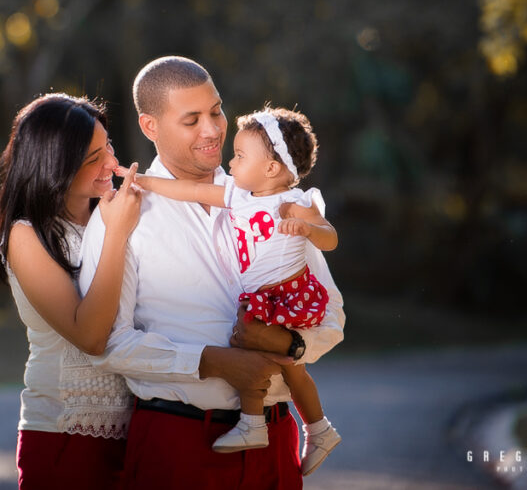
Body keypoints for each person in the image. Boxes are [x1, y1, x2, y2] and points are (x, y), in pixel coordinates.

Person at [78, 56, 345, 489]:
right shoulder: (122, 216)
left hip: (276, 443)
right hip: (178, 443)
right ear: (150, 126)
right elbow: (107, 344)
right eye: (192, 120)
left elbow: (332, 317)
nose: (213, 130)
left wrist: (290, 344)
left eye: (216, 111)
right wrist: (211, 362)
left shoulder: (272, 198)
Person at [0, 93, 142, 489]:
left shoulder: (110, 214)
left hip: (139, 432)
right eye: (93, 157)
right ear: (54, 164)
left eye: (108, 145)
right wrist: (117, 234)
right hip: (65, 437)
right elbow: (90, 336)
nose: (110, 162)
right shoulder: (26, 235)